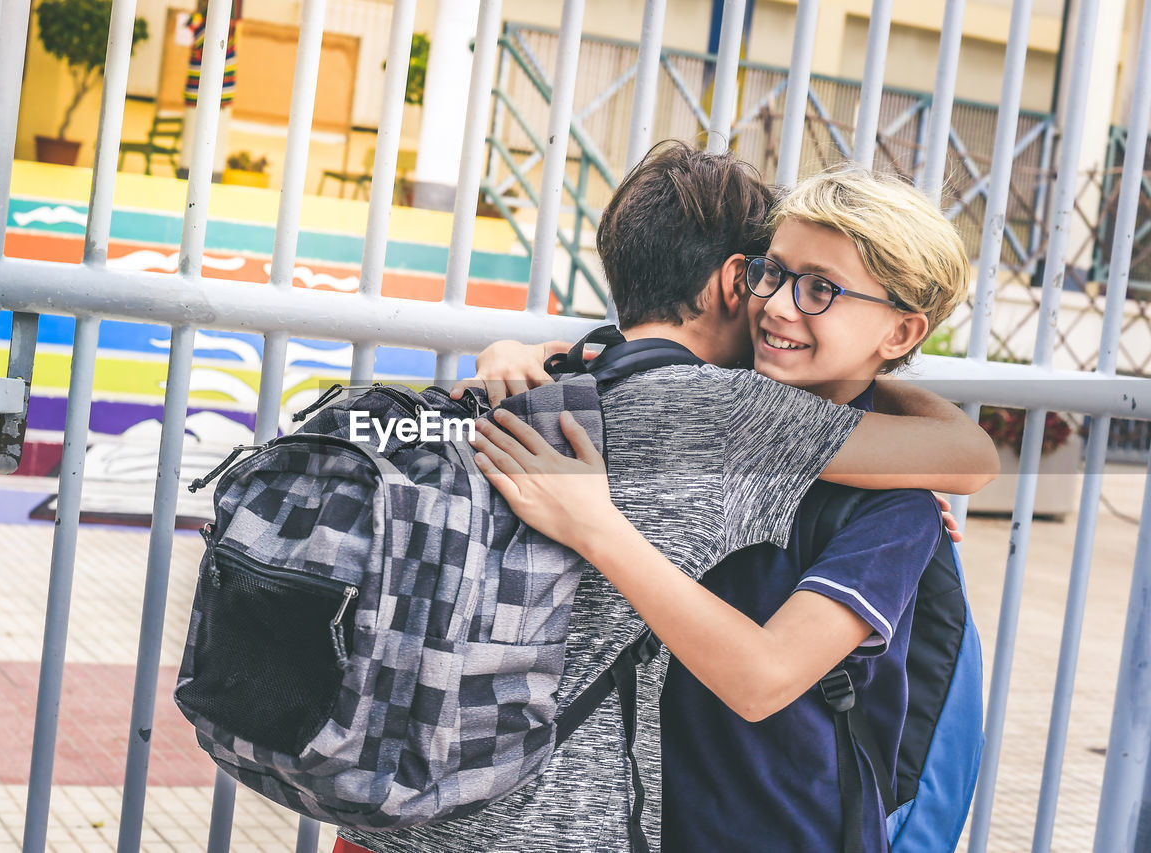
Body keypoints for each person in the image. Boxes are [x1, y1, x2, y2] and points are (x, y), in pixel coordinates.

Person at [335, 142, 995, 853]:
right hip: (639, 813)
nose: (773, 305)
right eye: (773, 275)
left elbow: (765, 674)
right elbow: (969, 454)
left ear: (901, 329)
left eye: (820, 290)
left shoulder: (884, 502)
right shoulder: (690, 405)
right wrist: (526, 355)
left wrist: (598, 525)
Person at [178, 0, 241, 181]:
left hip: (214, 91)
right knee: (198, 135)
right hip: (206, 90)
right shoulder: (224, 27)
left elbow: (199, 39)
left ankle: (200, 171)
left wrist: (198, 17)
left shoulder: (221, 28)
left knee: (208, 136)